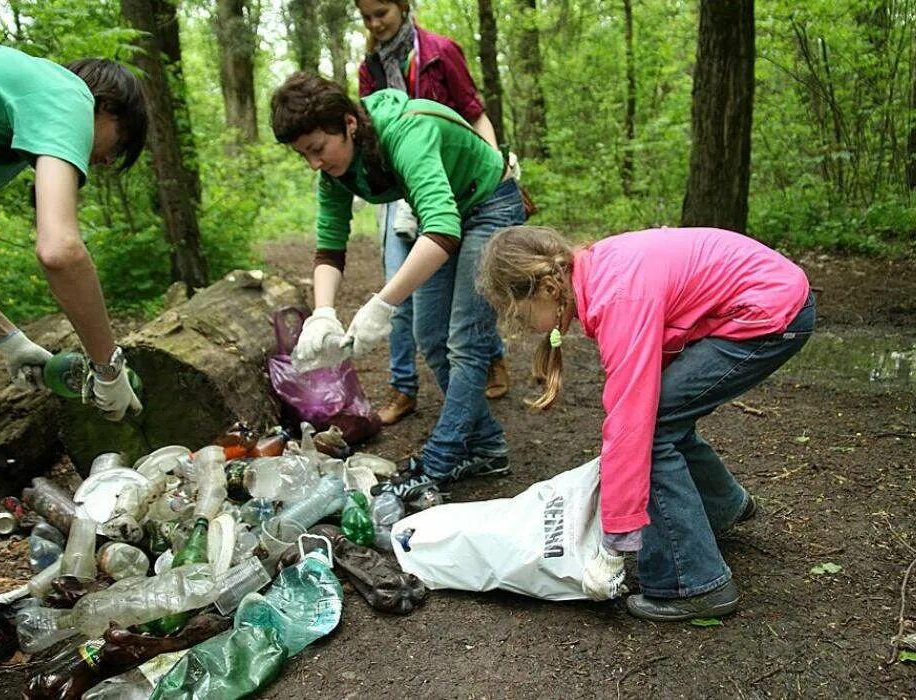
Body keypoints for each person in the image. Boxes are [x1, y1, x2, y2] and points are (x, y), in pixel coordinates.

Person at [0, 34, 148, 682]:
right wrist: (110, 365)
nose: (103, 163)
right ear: (108, 108)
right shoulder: (63, 90)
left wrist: (10, 340)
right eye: (115, 149)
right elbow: (60, 249)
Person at [477, 225, 815, 620]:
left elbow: (630, 425)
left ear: (549, 289)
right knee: (662, 415)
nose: (523, 326)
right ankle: (721, 507)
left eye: (520, 314)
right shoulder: (597, 274)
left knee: (651, 429)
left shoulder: (617, 295)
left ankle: (693, 582)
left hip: (770, 311)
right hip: (771, 295)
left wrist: (613, 542)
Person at [271, 72, 525, 500]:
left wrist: (382, 304)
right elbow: (330, 248)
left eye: (317, 149)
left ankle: (440, 461)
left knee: (465, 340)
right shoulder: (335, 171)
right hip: (446, 218)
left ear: (349, 123)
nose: (314, 163)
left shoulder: (406, 131)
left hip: (490, 203)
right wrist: (323, 313)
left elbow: (442, 230)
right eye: (304, 155)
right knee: (430, 336)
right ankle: (486, 446)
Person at [355, 0, 511, 426]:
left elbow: (473, 112)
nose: (375, 23)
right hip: (404, 183)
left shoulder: (440, 51)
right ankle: (403, 386)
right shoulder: (368, 66)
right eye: (366, 16)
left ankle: (488, 359)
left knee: (469, 298)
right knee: (399, 288)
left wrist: (492, 163)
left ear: (403, 7)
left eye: (381, 12)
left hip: (456, 174)